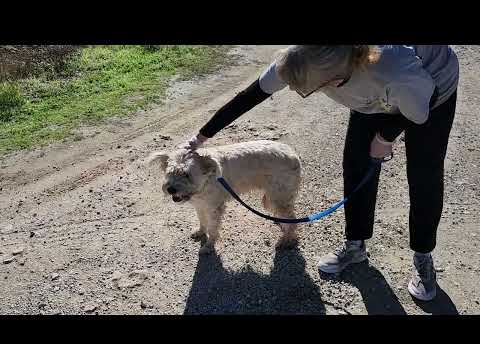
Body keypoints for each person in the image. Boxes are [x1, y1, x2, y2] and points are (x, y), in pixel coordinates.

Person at [183, 45, 459, 302]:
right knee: (356, 167)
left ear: (332, 79)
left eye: (305, 90)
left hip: (433, 89)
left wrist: (386, 136)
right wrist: (200, 137)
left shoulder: (391, 67)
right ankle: (356, 245)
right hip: (375, 96)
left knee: (424, 175)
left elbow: (425, 102)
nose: (295, 91)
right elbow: (250, 96)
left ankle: (423, 256)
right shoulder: (302, 59)